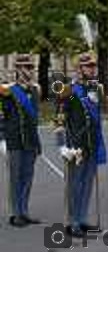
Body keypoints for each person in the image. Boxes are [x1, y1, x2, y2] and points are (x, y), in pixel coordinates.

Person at [55, 53, 107, 237]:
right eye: (88, 66)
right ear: (79, 69)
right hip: (75, 145)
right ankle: (72, 222)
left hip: (92, 144)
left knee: (87, 184)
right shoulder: (68, 90)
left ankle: (82, 219)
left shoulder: (96, 89)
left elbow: (102, 115)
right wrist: (62, 146)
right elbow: (59, 119)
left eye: (93, 66)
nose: (92, 69)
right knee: (75, 185)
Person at [0, 54, 42, 228]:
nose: (29, 71)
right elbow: (2, 116)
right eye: (25, 67)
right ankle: (15, 214)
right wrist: (2, 138)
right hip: (15, 140)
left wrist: (37, 143)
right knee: (15, 178)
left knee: (27, 177)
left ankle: (24, 211)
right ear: (17, 69)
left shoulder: (35, 90)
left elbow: (35, 119)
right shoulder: (8, 91)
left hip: (31, 141)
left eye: (31, 67)